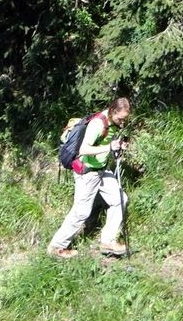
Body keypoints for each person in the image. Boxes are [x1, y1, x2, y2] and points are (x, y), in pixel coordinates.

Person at [47, 97, 131, 258]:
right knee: (81, 212)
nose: (122, 123)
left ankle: (108, 241)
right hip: (87, 173)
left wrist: (118, 146)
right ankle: (56, 247)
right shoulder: (98, 124)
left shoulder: (112, 123)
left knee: (120, 199)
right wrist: (109, 147)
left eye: (124, 120)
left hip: (101, 170)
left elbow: (105, 144)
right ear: (113, 111)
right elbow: (84, 150)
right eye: (120, 119)